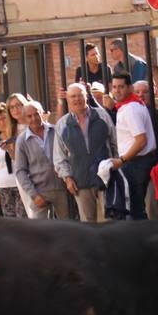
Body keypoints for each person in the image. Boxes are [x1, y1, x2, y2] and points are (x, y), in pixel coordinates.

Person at [54, 82, 117, 223]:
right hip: (80, 182)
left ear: (86, 96)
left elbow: (115, 142)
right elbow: (59, 157)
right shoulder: (62, 124)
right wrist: (67, 178)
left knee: (110, 222)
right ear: (67, 100)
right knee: (88, 226)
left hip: (106, 179)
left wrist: (116, 165)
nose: (77, 99)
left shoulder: (101, 115)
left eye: (80, 95)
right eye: (72, 96)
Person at [108, 72, 158, 220]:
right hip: (137, 162)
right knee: (135, 208)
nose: (117, 90)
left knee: (135, 210)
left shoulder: (131, 108)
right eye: (114, 87)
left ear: (130, 88)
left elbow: (141, 140)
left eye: (121, 87)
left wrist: (122, 160)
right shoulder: (131, 106)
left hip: (135, 163)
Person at [14, 101, 70, 220]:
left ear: (42, 114)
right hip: (39, 191)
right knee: (38, 232)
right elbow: (20, 171)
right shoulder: (22, 140)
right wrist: (33, 195)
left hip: (61, 189)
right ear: (24, 118)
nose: (34, 118)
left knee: (66, 228)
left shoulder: (55, 131)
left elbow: (67, 156)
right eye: (29, 116)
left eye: (36, 114)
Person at [0, 104, 26, 219]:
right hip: (3, 186)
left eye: (3, 117)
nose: (1, 122)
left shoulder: (18, 136)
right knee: (10, 220)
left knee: (22, 218)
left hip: (20, 184)